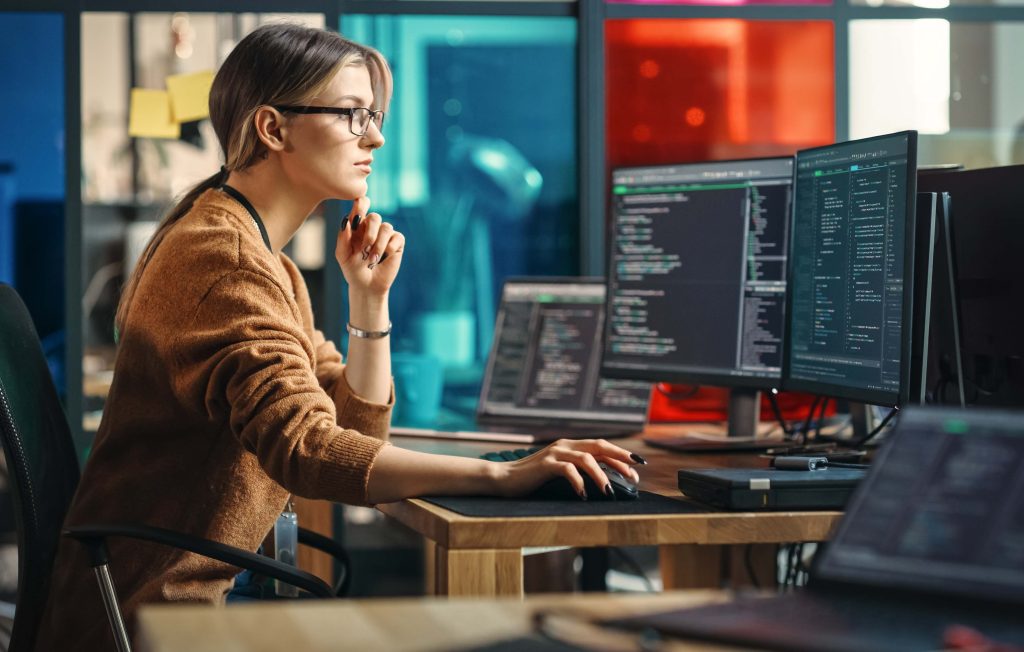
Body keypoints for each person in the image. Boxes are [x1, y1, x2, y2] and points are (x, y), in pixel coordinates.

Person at [37, 23, 642, 651]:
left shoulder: (263, 257)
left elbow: (353, 433)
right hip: (150, 618)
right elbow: (308, 450)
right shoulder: (222, 257)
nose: (375, 136)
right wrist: (503, 477)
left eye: (373, 115)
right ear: (272, 128)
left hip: (183, 603)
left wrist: (368, 298)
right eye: (353, 115)